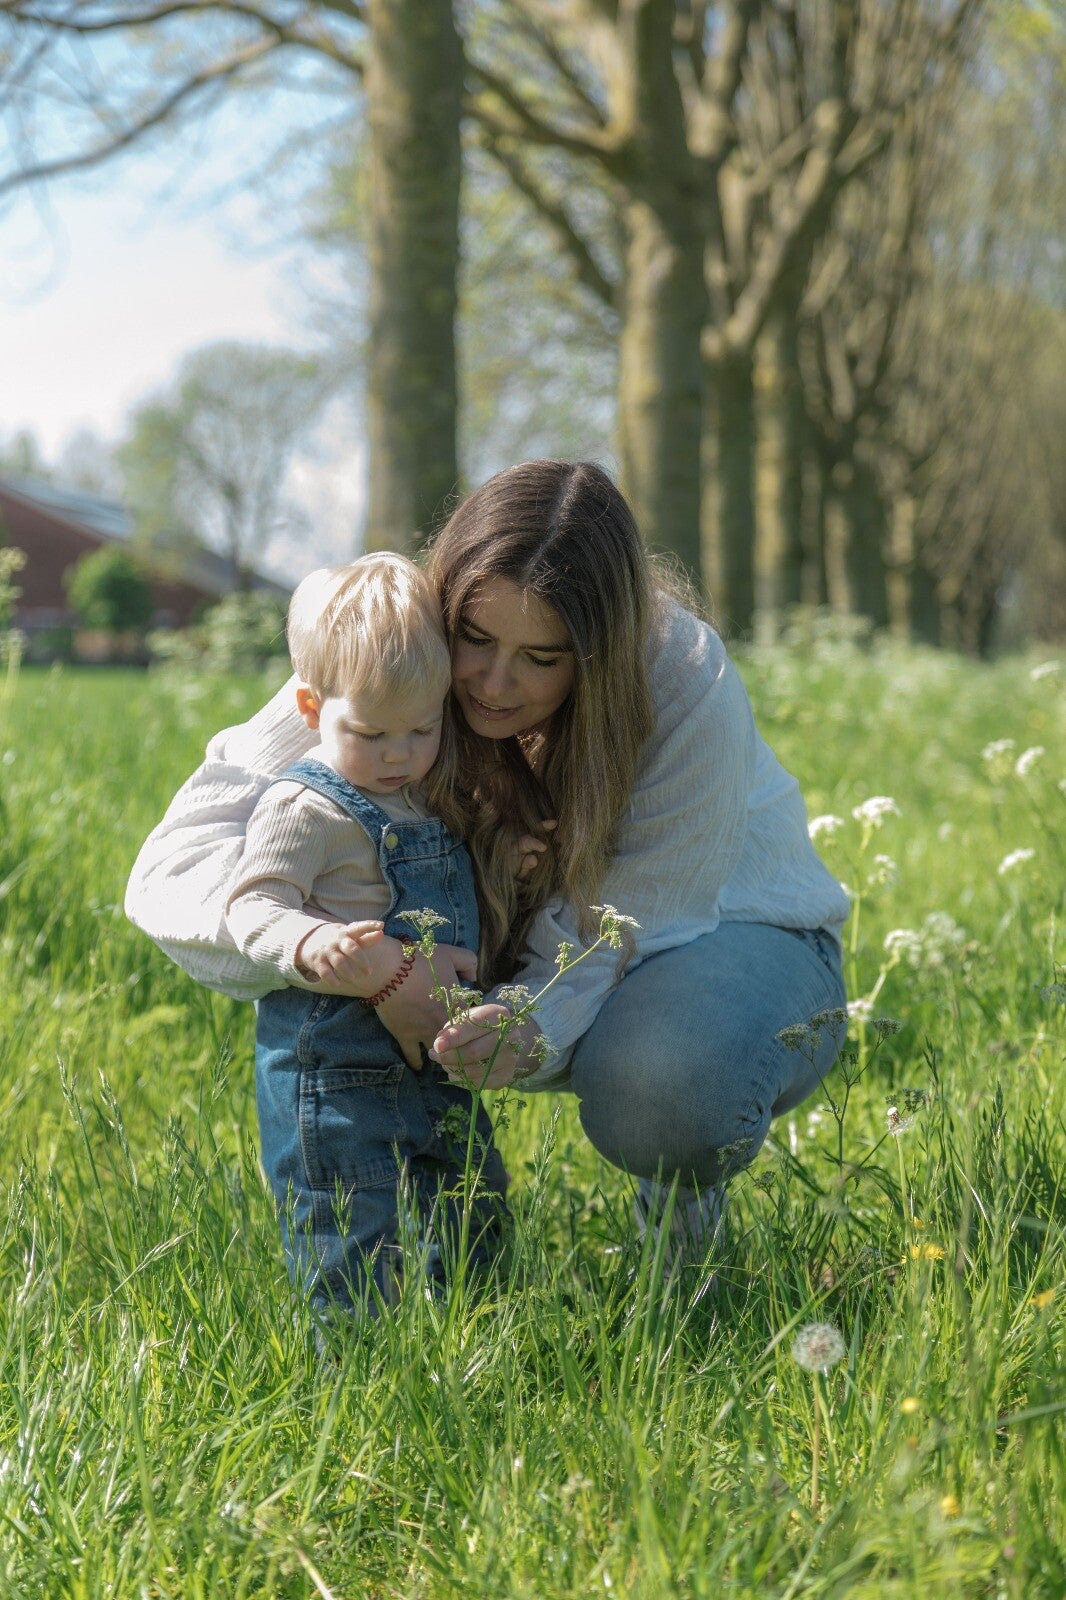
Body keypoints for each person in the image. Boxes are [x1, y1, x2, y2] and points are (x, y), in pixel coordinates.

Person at [126, 460, 849, 1269]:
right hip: (469, 952)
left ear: (599, 651)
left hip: (728, 941)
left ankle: (681, 1245)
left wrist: (528, 1020)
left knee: (661, 1087)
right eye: (474, 639)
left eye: (542, 657)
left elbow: (633, 924)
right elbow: (172, 869)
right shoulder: (393, 642)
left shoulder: (684, 679)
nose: (494, 685)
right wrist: (374, 967)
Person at [223, 553, 508, 1317]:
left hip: (435, 1057)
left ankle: (482, 1336)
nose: (398, 753)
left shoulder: (428, 796)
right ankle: (356, 1363)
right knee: (350, 1219)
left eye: (422, 728)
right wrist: (307, 943)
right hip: (333, 1057)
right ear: (311, 708)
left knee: (473, 1199)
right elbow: (252, 904)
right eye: (371, 732)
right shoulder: (306, 808)